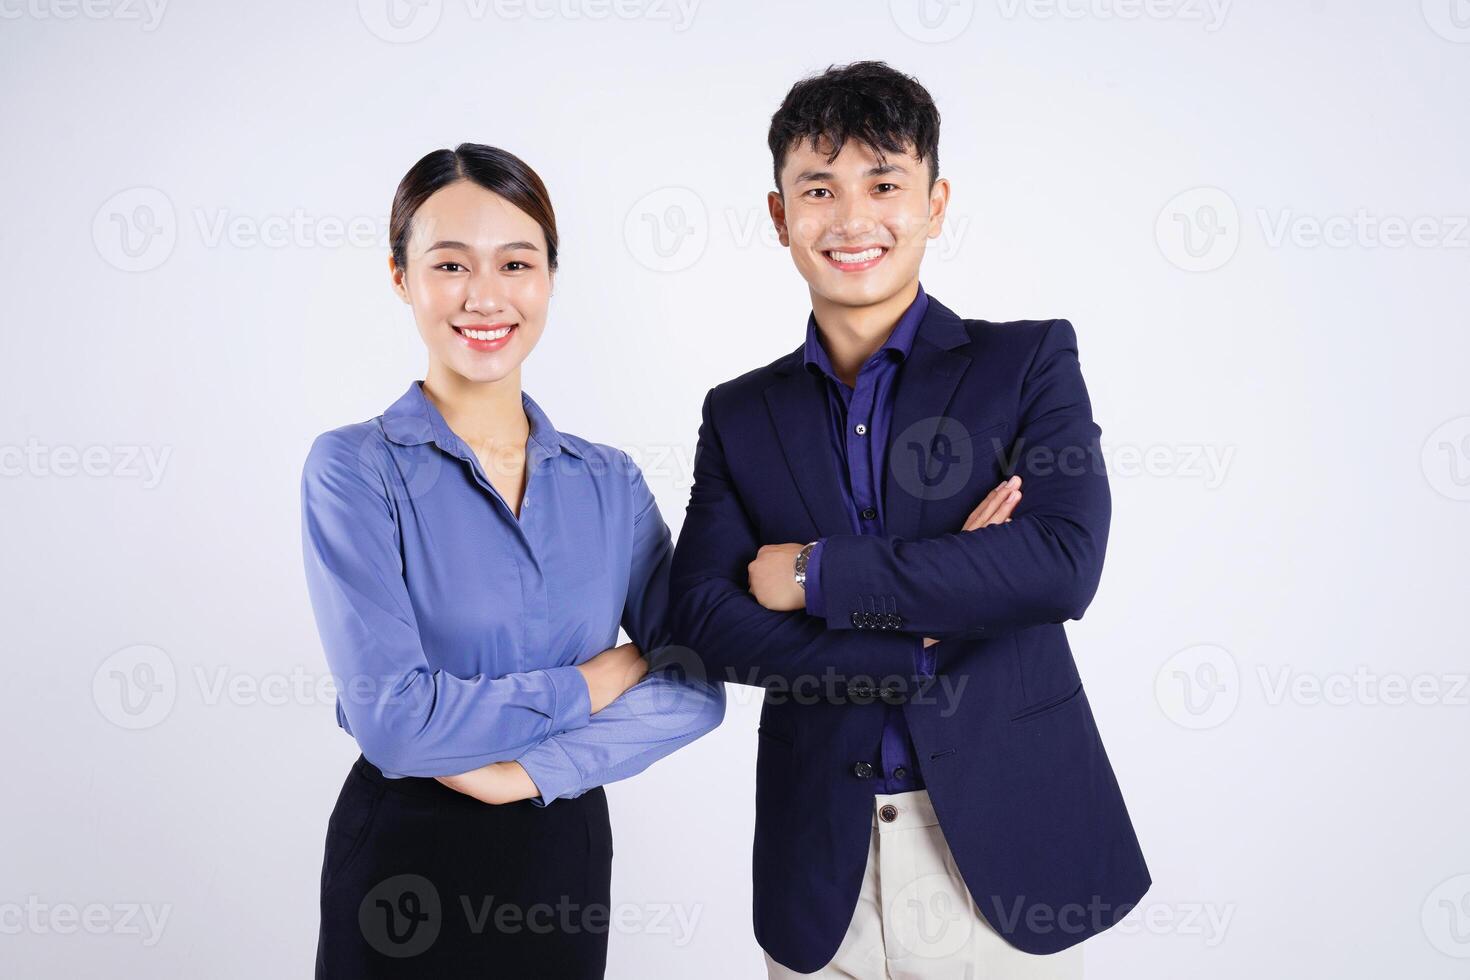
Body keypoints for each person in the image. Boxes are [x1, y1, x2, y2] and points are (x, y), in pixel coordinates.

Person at [669, 61, 1150, 978]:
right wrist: (936, 609)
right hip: (822, 873)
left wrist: (816, 577)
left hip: (1005, 854)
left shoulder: (1028, 362)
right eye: (819, 189)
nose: (852, 221)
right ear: (780, 217)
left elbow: (1059, 563)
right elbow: (701, 623)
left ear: (934, 202)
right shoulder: (739, 412)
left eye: (884, 184)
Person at [300, 142, 724, 978]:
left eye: (516, 262)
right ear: (400, 277)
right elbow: (394, 720)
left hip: (559, 858)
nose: (484, 296)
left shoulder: (609, 483)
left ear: (550, 278)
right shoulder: (355, 469)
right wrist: (594, 681)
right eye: (450, 264)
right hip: (402, 862)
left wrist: (520, 774)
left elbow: (696, 685)